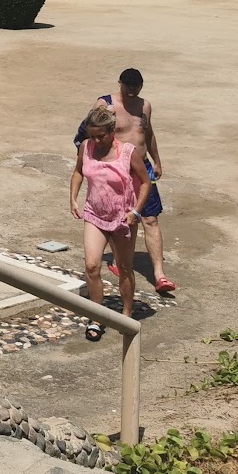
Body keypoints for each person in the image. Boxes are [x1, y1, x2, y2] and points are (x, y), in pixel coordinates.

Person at [87, 67, 175, 295]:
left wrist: (157, 160)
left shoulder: (144, 105)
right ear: (120, 84)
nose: (132, 94)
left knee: (151, 218)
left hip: (142, 167)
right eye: (128, 90)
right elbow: (89, 134)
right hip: (117, 167)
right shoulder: (105, 105)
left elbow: (149, 133)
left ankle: (159, 274)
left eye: (137, 90)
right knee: (117, 217)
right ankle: (119, 260)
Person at [70, 103, 152, 340]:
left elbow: (145, 182)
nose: (95, 141)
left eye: (100, 136)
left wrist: (136, 212)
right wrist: (73, 198)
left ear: (111, 132)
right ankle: (97, 315)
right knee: (92, 265)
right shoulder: (86, 147)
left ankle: (126, 313)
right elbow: (78, 172)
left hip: (122, 217)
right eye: (92, 136)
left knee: (124, 268)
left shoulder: (127, 153)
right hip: (95, 213)